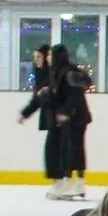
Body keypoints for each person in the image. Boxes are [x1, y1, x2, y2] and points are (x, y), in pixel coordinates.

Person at [39, 44, 92, 202]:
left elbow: (75, 95)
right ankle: (78, 183)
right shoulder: (60, 71)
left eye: (50, 55)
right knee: (73, 148)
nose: (48, 58)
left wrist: (65, 113)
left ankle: (71, 183)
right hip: (75, 117)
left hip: (75, 118)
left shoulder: (67, 71)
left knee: (70, 149)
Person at [17, 44, 58, 189]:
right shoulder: (41, 75)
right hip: (52, 118)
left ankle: (61, 181)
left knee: (55, 150)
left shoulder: (52, 75)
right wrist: (25, 113)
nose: (37, 60)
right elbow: (38, 100)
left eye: (39, 57)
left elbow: (51, 96)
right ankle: (57, 181)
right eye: (35, 57)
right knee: (52, 151)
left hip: (59, 117)